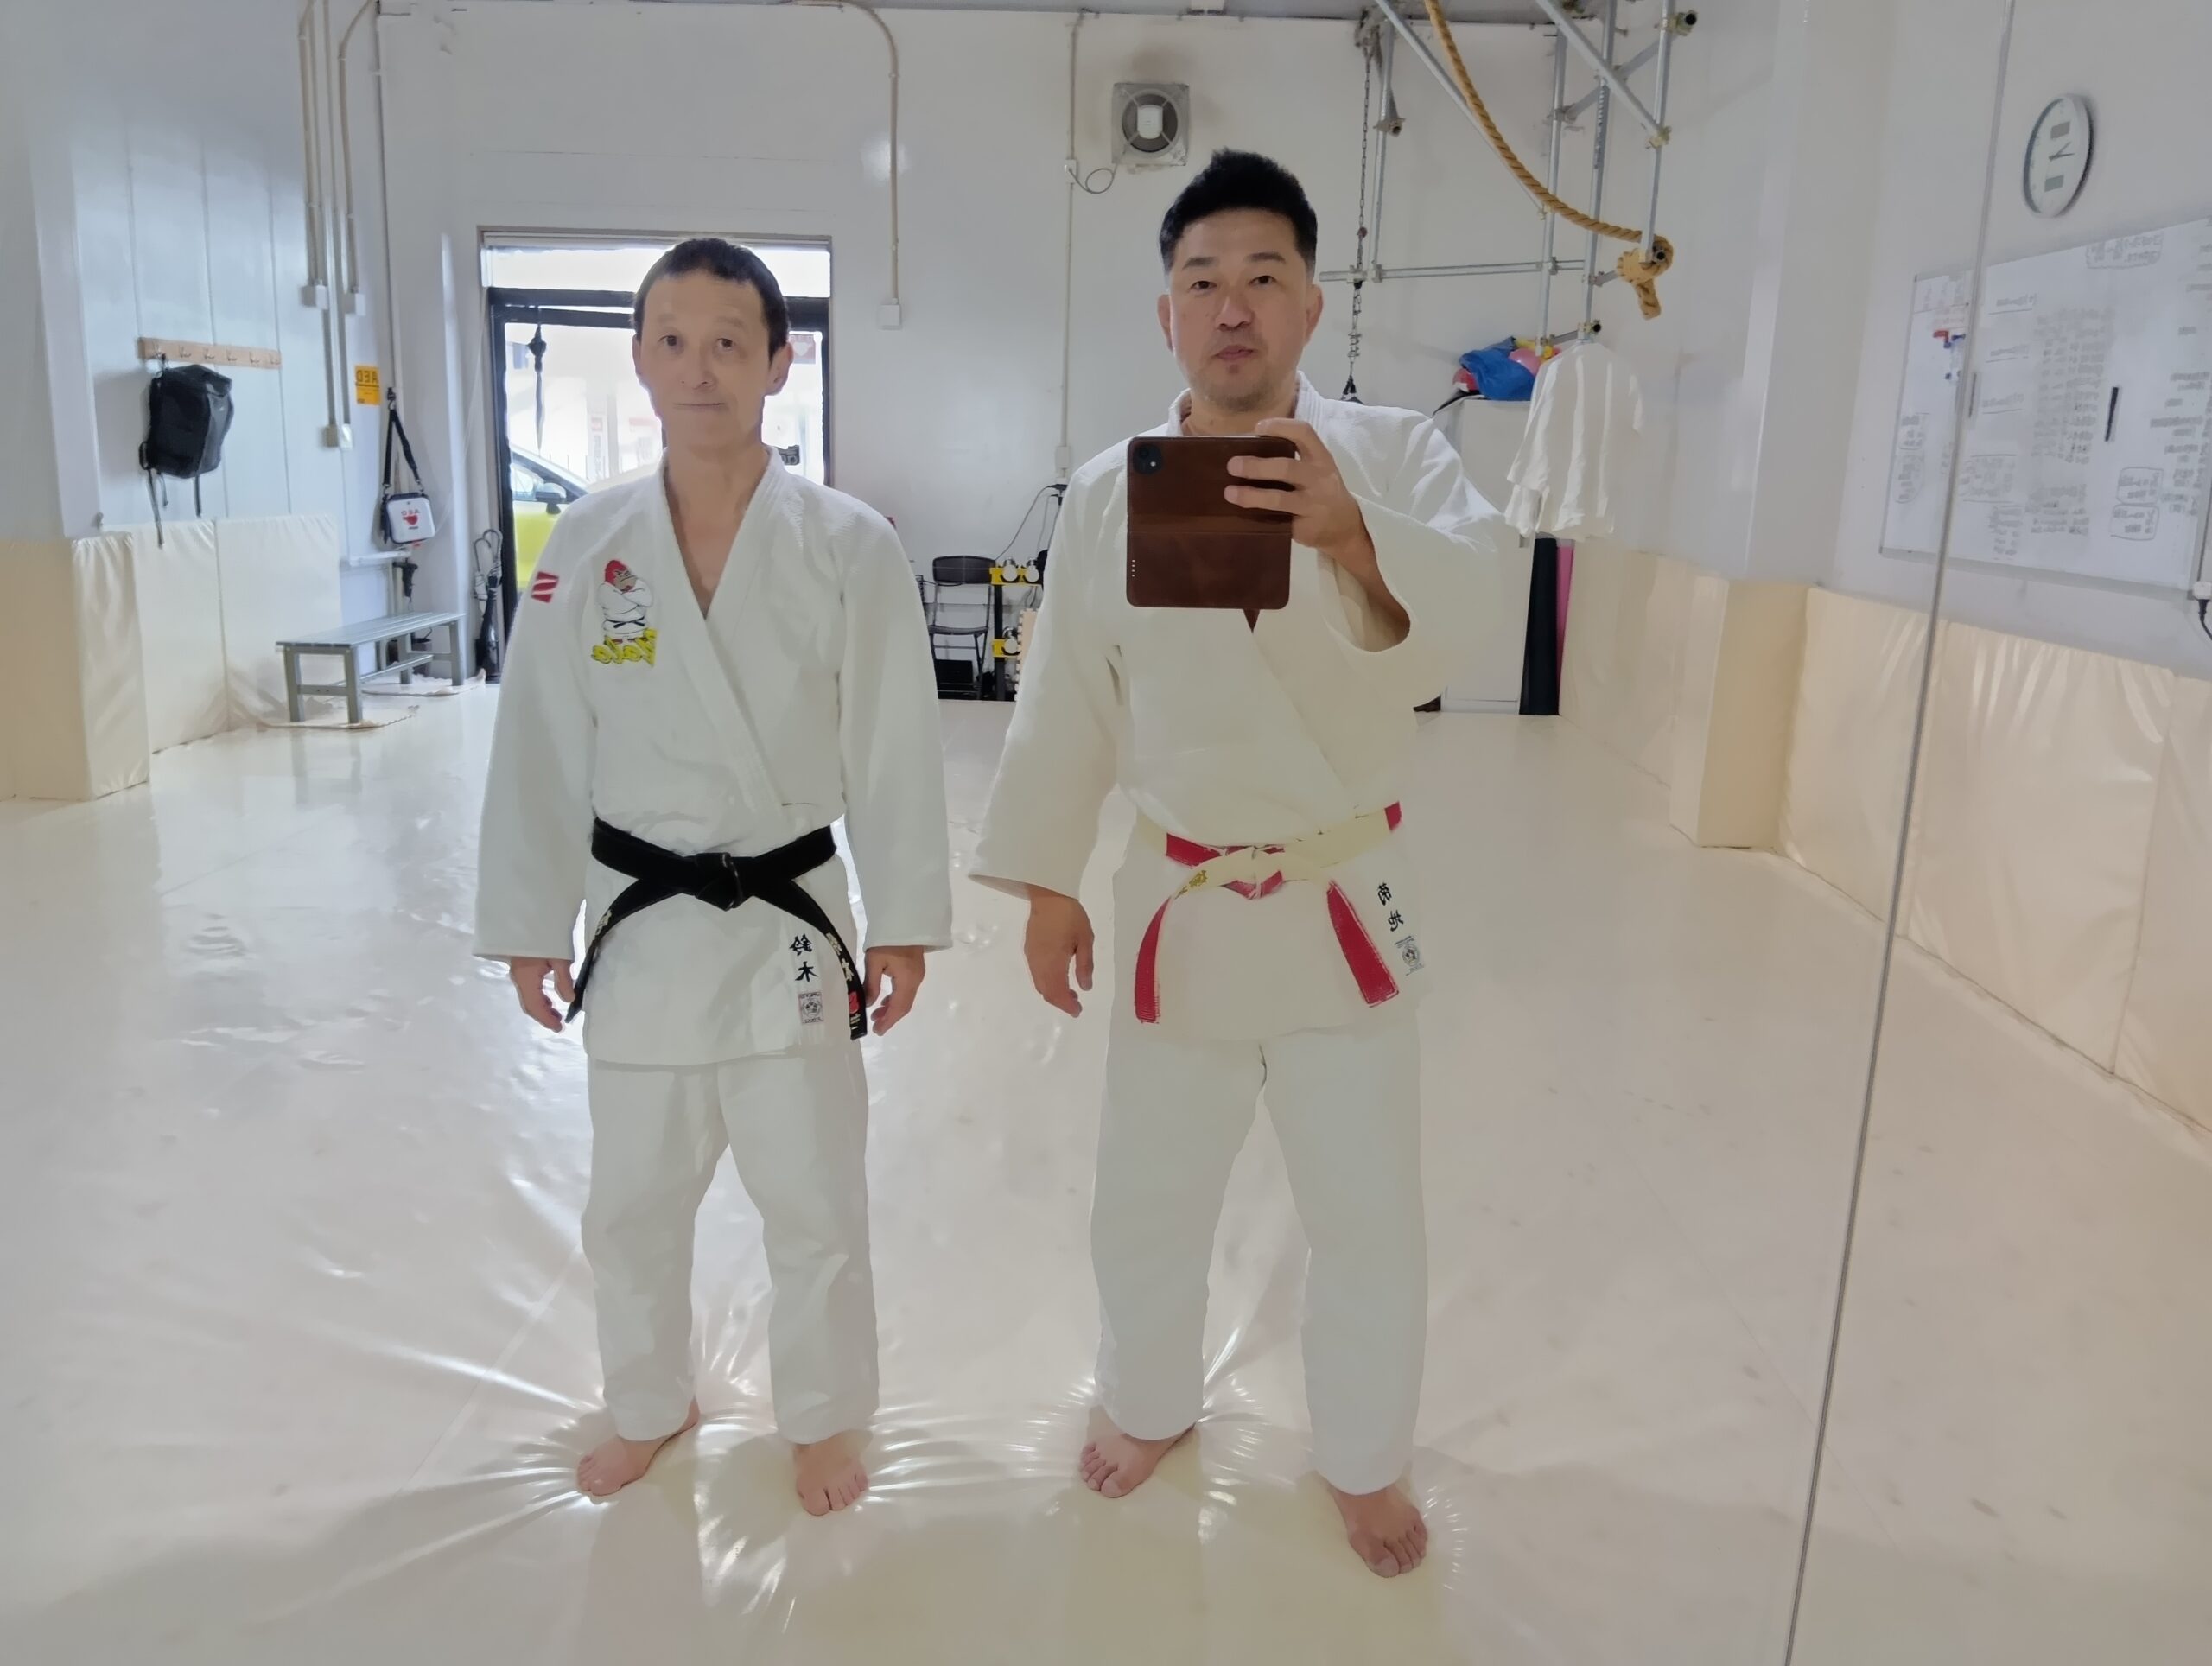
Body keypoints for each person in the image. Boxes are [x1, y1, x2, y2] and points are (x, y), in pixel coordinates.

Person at [972, 151, 1505, 1577]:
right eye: (1201, 280)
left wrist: (1354, 532)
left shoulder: (1393, 458)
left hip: (1340, 896)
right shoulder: (1108, 495)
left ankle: (1364, 1457)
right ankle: (1148, 1399)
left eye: (1264, 277)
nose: (1232, 307)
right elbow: (1067, 694)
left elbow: (1477, 613)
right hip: (1184, 896)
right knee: (1149, 1194)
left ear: (1310, 306)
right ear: (1166, 316)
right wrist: (1049, 882)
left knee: (1366, 1211)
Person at [474, 238, 951, 1511]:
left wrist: (903, 921)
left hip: (790, 919)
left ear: (780, 362)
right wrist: (529, 921)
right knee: (629, 1205)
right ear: (639, 359)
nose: (701, 369)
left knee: (814, 1201)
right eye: (674, 341)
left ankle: (825, 1418)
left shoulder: (849, 544)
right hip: (640, 928)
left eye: (730, 343)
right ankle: (648, 1401)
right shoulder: (584, 544)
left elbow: (893, 744)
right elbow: (539, 742)